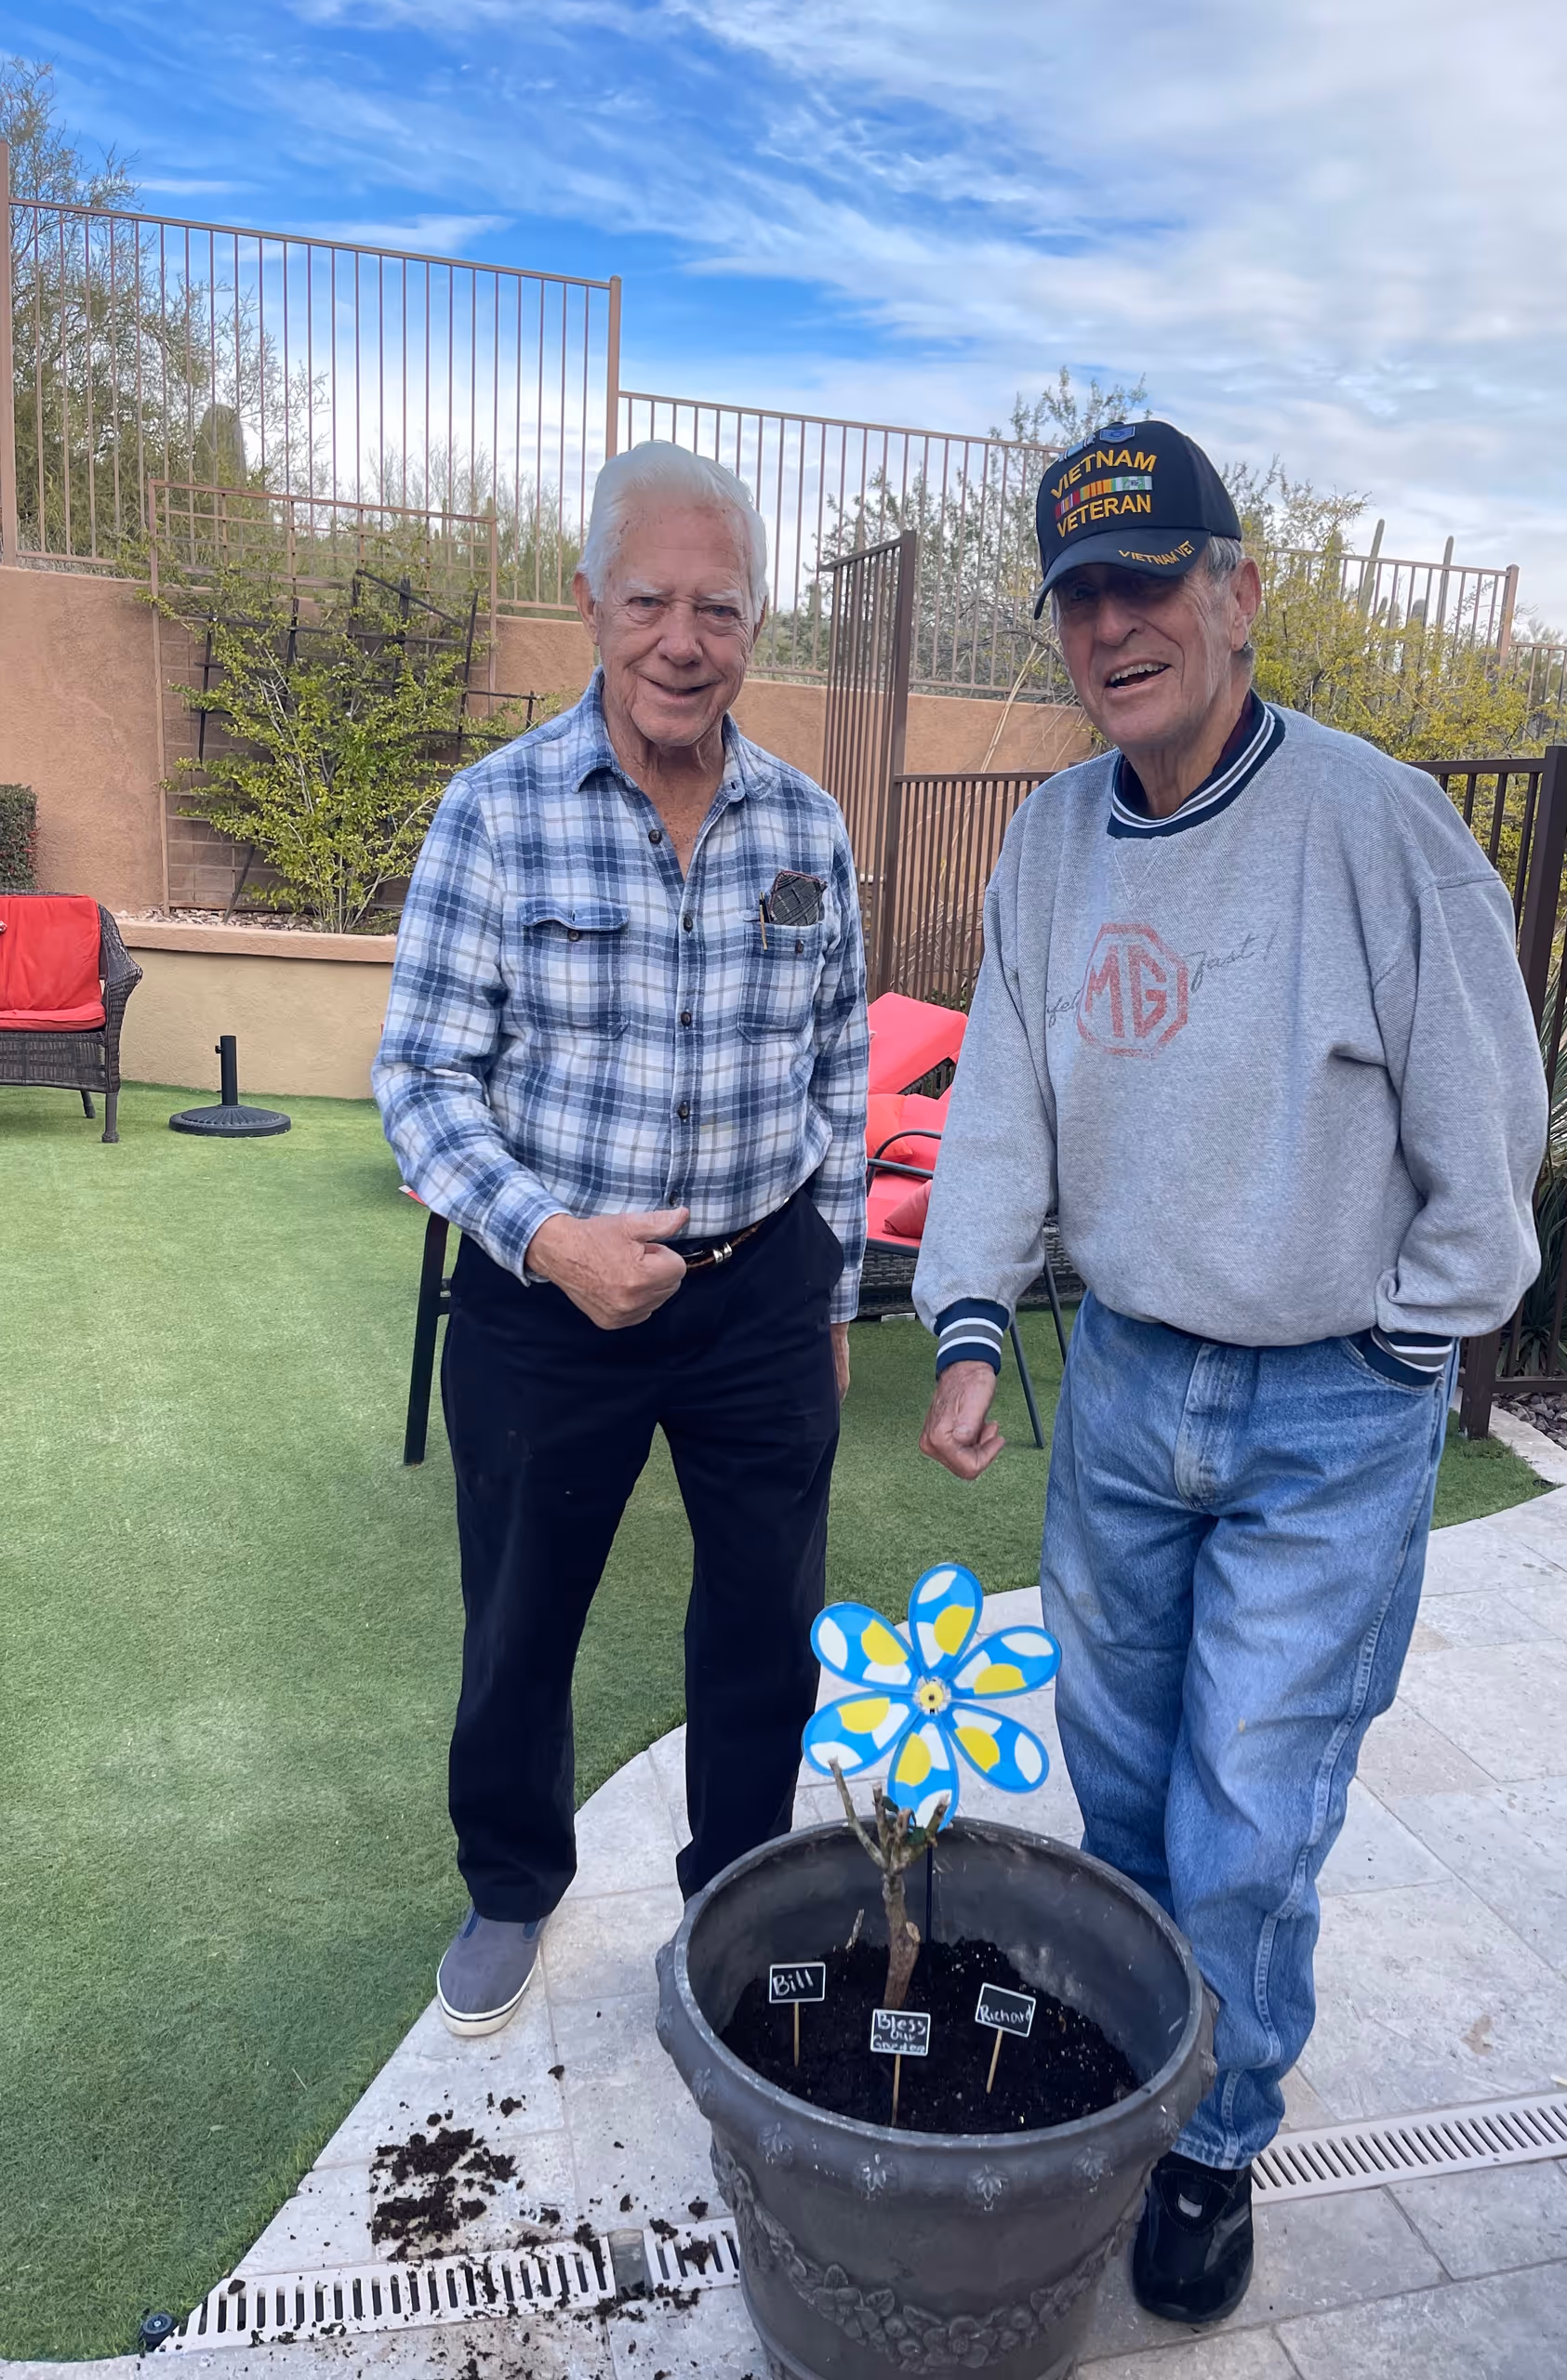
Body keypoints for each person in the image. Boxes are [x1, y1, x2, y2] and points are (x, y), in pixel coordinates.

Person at [912, 419, 1547, 2325]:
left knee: (1251, 1812)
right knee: (1116, 1788)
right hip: (1117, 1384)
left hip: (1320, 1413)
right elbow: (1007, 1097)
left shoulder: (1376, 825)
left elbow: (1487, 1118)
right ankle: (1134, 2065)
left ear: (1237, 592)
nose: (1117, 623)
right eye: (1083, 593)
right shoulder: (1050, 837)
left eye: (1153, 579)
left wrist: (1407, 1333)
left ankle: (1211, 2132)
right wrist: (966, 1315)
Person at [375, 443, 868, 2038]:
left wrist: (838, 1279)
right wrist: (548, 1238)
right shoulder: (495, 815)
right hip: (544, 1297)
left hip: (760, 1284)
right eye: (649, 598)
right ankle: (513, 1882)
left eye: (717, 607)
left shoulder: (809, 829)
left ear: (756, 627)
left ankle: (737, 1892)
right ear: (590, 602)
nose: (682, 638)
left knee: (762, 1620)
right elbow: (422, 1080)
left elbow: (840, 1062)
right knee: (521, 1608)